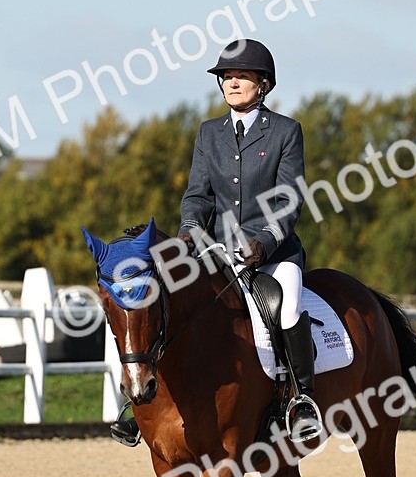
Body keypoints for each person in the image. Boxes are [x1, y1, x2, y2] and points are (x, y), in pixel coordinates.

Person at [110, 38, 323, 447]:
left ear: (263, 84)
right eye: (226, 77)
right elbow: (198, 194)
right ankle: (143, 408)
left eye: (241, 76)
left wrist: (263, 242)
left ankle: (301, 401)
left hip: (273, 254)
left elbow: (289, 199)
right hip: (218, 251)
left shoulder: (284, 131)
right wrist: (189, 230)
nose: (232, 83)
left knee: (289, 305)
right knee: (175, 304)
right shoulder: (209, 133)